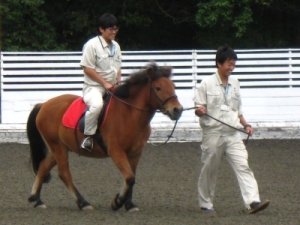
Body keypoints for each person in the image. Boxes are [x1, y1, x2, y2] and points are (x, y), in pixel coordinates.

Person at [194, 45, 270, 215]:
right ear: (219, 63)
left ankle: (252, 201)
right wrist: (200, 110)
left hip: (233, 134)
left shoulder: (236, 83)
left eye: (233, 64)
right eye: (229, 64)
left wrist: (246, 125)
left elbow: (238, 110)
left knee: (243, 165)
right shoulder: (205, 84)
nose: (232, 67)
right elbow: (198, 108)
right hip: (213, 134)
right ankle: (206, 203)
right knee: (209, 169)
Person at [80, 13, 122, 151]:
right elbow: (87, 69)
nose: (114, 32)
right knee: (97, 105)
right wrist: (105, 84)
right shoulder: (91, 45)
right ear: (101, 29)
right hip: (94, 87)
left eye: (115, 29)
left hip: (112, 86)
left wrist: (117, 83)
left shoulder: (116, 46)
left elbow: (118, 68)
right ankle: (88, 137)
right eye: (111, 29)